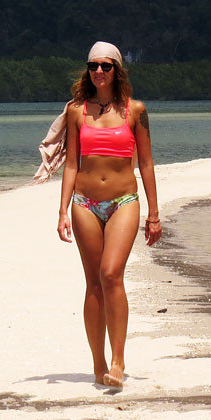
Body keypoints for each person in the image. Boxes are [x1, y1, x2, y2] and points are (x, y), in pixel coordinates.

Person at [55, 41, 161, 389]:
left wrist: (154, 214)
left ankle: (118, 360)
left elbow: (146, 163)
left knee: (111, 273)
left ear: (117, 70)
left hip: (123, 202)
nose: (98, 71)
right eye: (93, 66)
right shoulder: (76, 111)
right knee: (94, 282)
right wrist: (62, 210)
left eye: (105, 66)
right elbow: (72, 163)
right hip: (84, 203)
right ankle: (98, 363)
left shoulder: (135, 110)